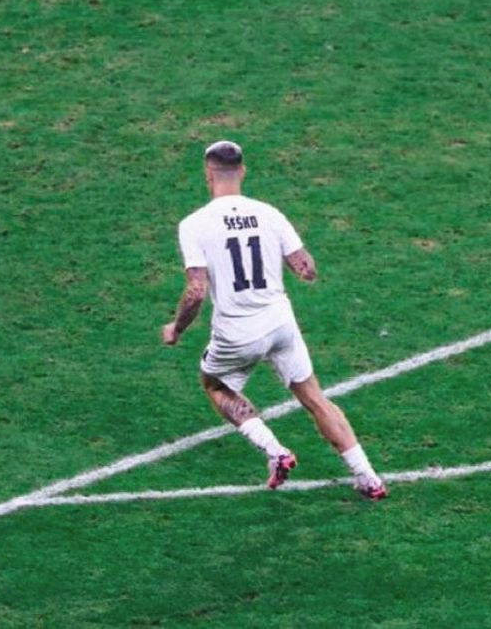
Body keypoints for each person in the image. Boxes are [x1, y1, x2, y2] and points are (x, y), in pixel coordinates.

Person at [160, 140, 387, 500]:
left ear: (207, 173)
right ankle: (369, 477)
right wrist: (299, 269)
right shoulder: (269, 214)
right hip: (280, 323)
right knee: (315, 399)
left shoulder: (194, 224)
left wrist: (177, 327)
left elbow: (196, 291)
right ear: (242, 171)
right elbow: (305, 267)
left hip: (237, 332)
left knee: (215, 385)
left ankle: (275, 451)